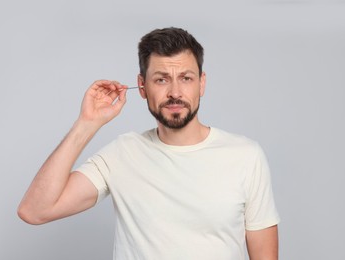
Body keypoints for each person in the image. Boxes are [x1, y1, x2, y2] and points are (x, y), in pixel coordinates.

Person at [18, 27, 280, 260]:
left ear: (202, 84)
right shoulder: (122, 154)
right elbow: (35, 210)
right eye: (161, 79)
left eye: (186, 78)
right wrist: (87, 123)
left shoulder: (245, 156)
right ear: (142, 87)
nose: (175, 92)